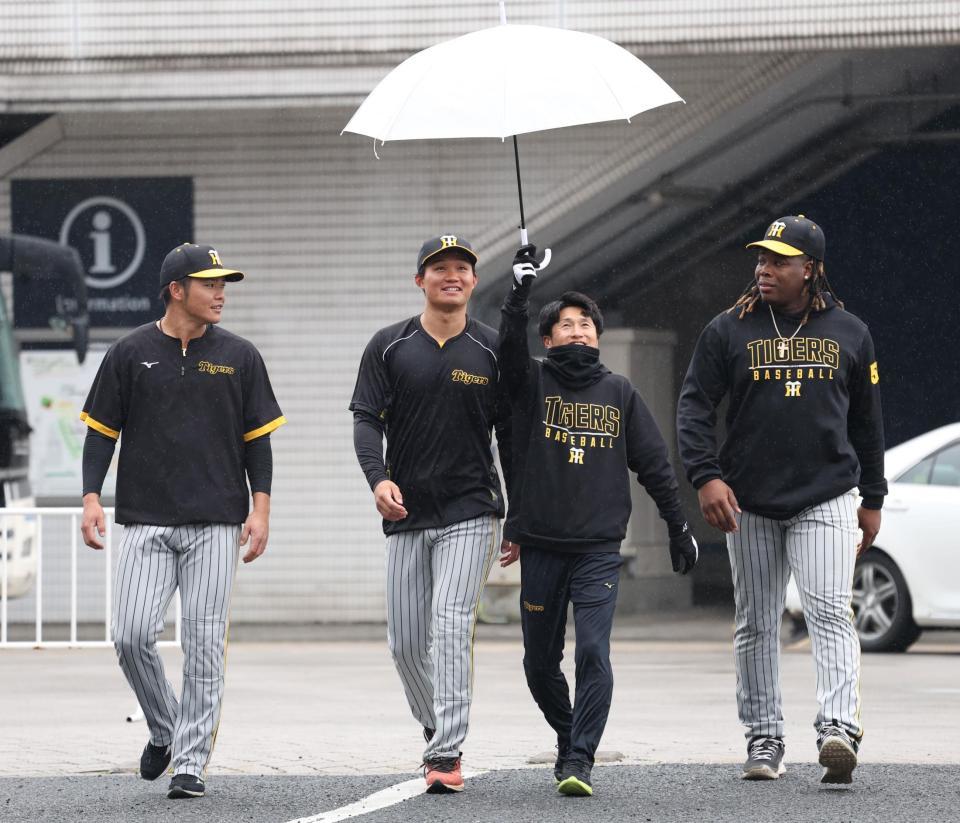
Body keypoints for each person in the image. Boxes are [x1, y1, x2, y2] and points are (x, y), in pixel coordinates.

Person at [676, 215, 886, 785]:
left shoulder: (850, 332)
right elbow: (694, 406)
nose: (764, 269)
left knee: (828, 611)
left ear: (810, 269)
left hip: (828, 494)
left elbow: (867, 423)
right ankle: (763, 738)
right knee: (755, 621)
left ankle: (838, 729)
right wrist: (705, 476)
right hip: (749, 501)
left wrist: (873, 496)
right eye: (762, 260)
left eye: (779, 261)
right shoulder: (728, 329)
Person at [80, 243, 286, 799]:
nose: (221, 293)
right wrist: (91, 497)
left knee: (203, 643)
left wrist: (260, 510)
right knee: (130, 636)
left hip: (218, 522)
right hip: (145, 520)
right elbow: (102, 431)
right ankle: (165, 728)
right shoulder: (129, 352)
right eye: (210, 284)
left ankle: (192, 761)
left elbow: (258, 444)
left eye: (224, 284)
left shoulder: (241, 356)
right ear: (177, 289)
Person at [497, 246, 698, 797]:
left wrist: (678, 527)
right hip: (540, 545)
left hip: (598, 549)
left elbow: (655, 464)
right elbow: (507, 353)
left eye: (587, 324)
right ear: (548, 339)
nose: (579, 332)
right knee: (539, 666)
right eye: (567, 325)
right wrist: (519, 296)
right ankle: (569, 736)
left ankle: (580, 760)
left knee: (592, 652)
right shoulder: (530, 383)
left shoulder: (620, 392)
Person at [349, 234, 510, 794]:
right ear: (419, 280)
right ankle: (435, 722)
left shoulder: (493, 349)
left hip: (472, 509)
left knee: (449, 624)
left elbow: (513, 438)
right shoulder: (389, 346)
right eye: (439, 267)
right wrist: (378, 478)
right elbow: (366, 420)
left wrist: (523, 514)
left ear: (473, 280)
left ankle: (445, 752)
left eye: (462, 268)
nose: (452, 275)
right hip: (407, 512)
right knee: (405, 642)